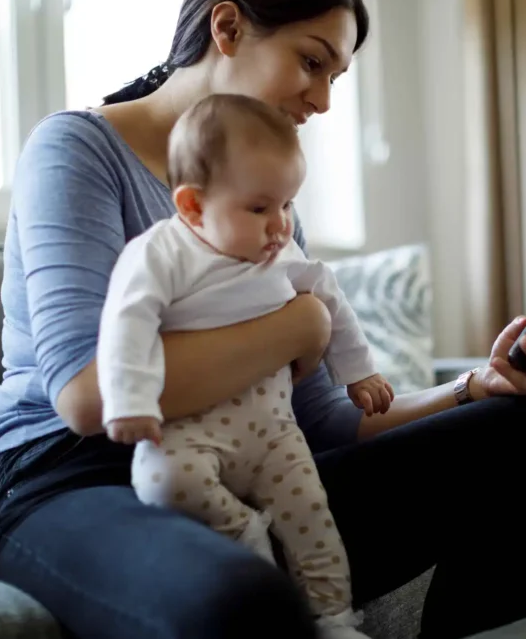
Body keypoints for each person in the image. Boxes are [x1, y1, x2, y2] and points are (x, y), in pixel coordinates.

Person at [0, 0, 526, 638]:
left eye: (336, 77)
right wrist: (299, 323)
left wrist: (474, 387)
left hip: (246, 464)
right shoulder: (77, 150)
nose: (323, 100)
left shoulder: (267, 210)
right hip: (76, 484)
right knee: (243, 594)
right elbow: (89, 396)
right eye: (311, 62)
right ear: (229, 27)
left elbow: (325, 422)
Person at [97, 92, 395, 639]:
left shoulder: (279, 254)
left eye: (288, 206)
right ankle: (242, 532)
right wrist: (131, 402)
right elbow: (126, 323)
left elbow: (327, 294)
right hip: (190, 431)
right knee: (160, 480)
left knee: (313, 518)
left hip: (274, 432)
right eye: (260, 208)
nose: (280, 225)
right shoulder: (161, 254)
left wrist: (359, 371)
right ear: (192, 207)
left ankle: (333, 619)